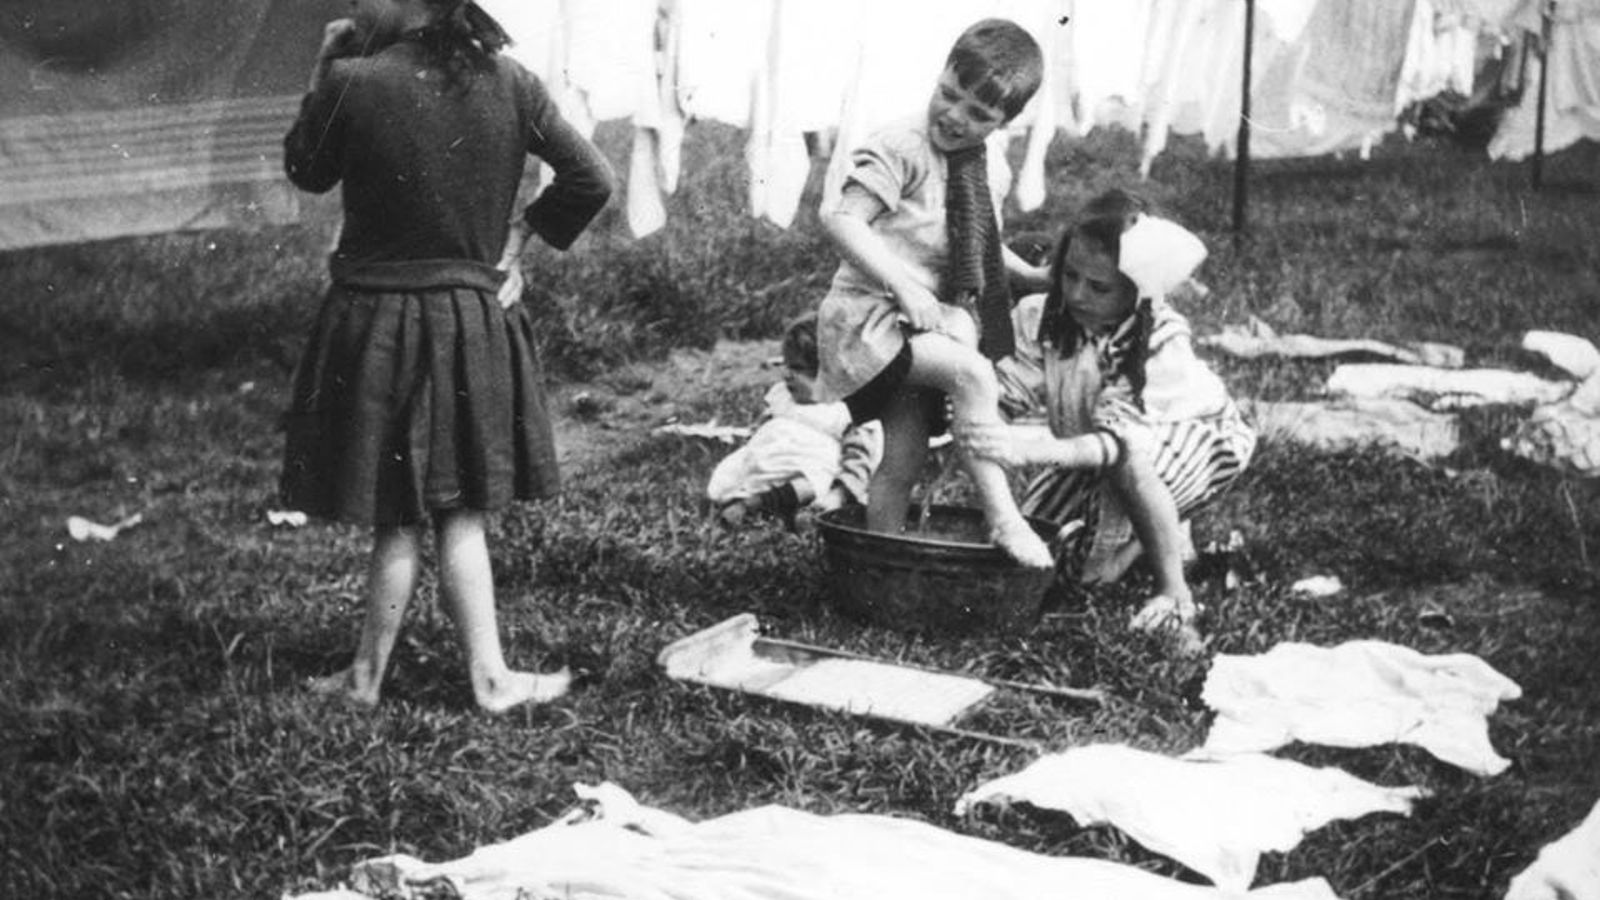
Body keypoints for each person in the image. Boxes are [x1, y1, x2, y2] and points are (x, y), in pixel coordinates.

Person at [279, 0, 614, 712]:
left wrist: (322, 64)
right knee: (460, 511)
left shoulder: (353, 80)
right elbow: (593, 178)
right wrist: (522, 238)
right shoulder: (512, 80)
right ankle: (487, 676)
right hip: (470, 319)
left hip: (374, 322)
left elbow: (307, 171)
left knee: (394, 513)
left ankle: (368, 679)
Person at [965, 190, 1257, 648]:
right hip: (1090, 448)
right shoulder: (1042, 316)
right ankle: (1150, 533)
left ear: (1135, 289)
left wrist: (1029, 449)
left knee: (1121, 494)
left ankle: (1174, 594)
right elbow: (1009, 390)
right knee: (1045, 556)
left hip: (1192, 438)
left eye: (1099, 286)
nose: (1077, 293)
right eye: (1069, 275)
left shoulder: (1158, 336)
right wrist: (982, 417)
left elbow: (1120, 445)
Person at [815, 18, 1054, 568]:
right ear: (939, 75)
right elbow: (842, 220)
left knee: (905, 452)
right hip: (868, 318)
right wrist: (903, 285)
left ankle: (883, 560)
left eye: (978, 113)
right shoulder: (902, 145)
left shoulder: (987, 162)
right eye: (949, 94)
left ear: (1005, 122)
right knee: (972, 374)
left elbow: (983, 245)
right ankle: (1004, 520)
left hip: (919, 322)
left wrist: (1035, 279)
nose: (954, 116)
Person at [708, 314, 883, 528]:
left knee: (809, 485)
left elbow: (859, 457)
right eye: (786, 366)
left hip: (812, 471)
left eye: (798, 369)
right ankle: (754, 506)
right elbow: (763, 430)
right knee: (729, 481)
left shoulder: (845, 410)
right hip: (770, 465)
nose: (787, 375)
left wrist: (841, 492)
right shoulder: (782, 397)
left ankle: (758, 507)